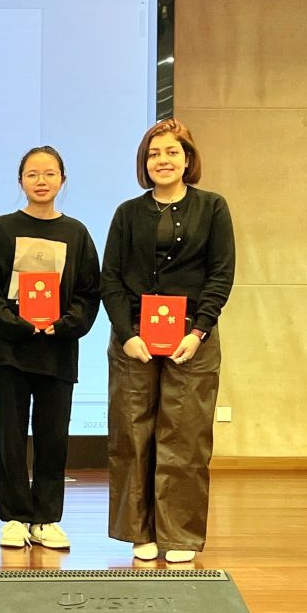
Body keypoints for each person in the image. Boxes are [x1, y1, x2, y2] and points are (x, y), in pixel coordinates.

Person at [101, 119, 234, 565]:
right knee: (132, 433)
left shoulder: (212, 207)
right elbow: (110, 279)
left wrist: (199, 331)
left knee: (186, 435)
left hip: (192, 339)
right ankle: (138, 531)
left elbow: (220, 275)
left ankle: (180, 533)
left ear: (188, 159)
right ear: (144, 162)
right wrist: (127, 335)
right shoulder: (127, 213)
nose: (163, 160)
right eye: (154, 153)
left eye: (172, 152)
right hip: (134, 340)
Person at [0, 146, 100, 552]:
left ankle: (46, 518)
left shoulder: (76, 233)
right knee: (10, 438)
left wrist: (62, 325)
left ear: (62, 180)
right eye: (32, 174)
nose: (41, 181)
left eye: (49, 174)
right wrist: (19, 324)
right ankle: (14, 517)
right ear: (20, 181)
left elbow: (88, 292)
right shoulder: (1, 229)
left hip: (57, 350)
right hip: (8, 351)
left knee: (53, 438)